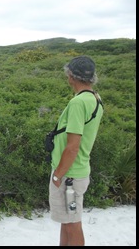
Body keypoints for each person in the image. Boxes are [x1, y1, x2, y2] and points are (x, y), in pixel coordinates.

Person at [49, 55, 104, 246]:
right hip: (79, 170)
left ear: (71, 76)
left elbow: (72, 147)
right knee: (68, 222)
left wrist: (58, 175)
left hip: (69, 175)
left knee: (73, 225)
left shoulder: (78, 103)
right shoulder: (95, 98)